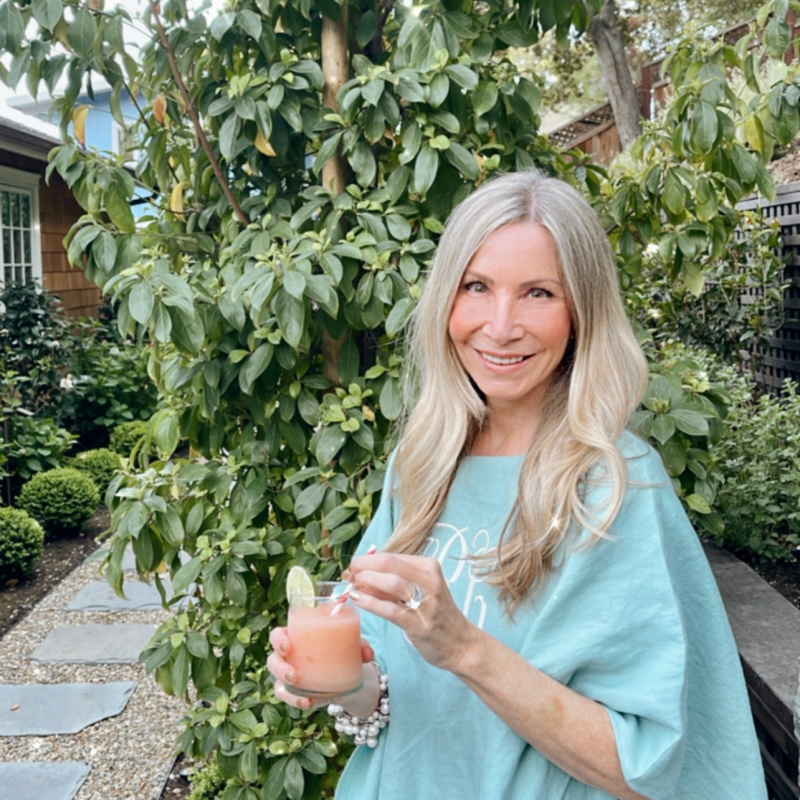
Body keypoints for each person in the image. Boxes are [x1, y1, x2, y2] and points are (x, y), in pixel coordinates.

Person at [267, 170, 767, 799]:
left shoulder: (614, 486)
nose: (500, 326)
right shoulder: (422, 463)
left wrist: (466, 649)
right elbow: (391, 694)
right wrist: (341, 683)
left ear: (581, 313)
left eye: (538, 293)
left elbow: (643, 769)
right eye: (477, 286)